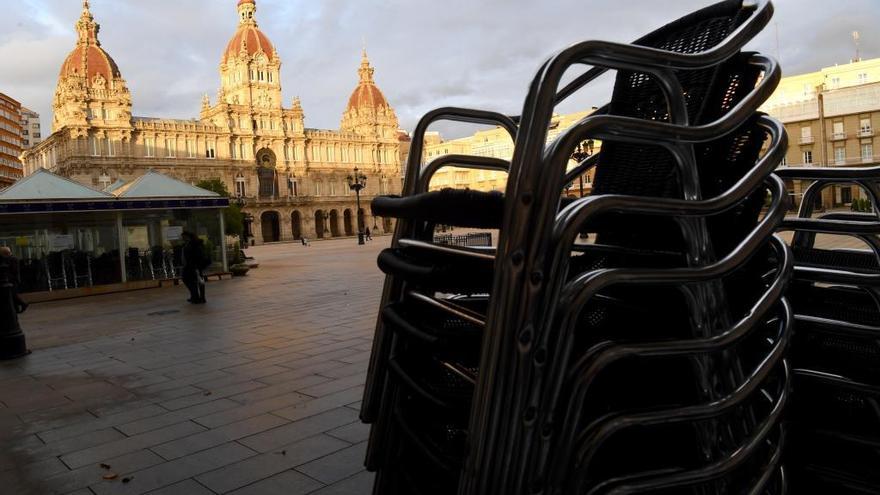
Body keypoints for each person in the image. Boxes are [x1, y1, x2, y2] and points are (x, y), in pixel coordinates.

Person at [181, 232, 208, 304]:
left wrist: (195, 265)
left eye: (183, 237)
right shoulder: (190, 244)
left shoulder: (193, 244)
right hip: (193, 266)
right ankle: (197, 297)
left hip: (193, 265)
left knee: (194, 280)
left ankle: (198, 297)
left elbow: (195, 255)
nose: (182, 238)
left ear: (187, 237)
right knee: (196, 280)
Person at [0, 247, 28, 314]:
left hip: (13, 280)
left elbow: (14, 271)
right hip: (11, 280)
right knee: (12, 295)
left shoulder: (13, 259)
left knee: (12, 295)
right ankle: (17, 309)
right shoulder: (9, 259)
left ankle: (23, 303)